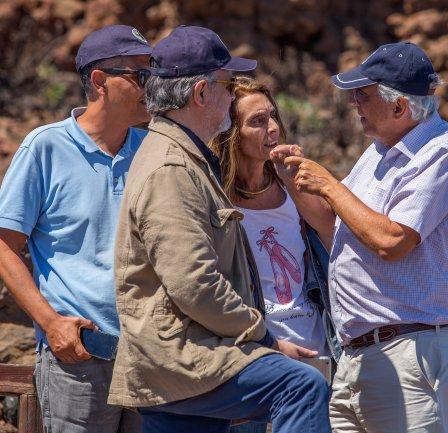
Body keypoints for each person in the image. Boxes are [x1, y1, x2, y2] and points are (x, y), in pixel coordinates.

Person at [107, 25, 331, 433]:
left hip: (178, 362)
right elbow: (195, 284)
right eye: (228, 86)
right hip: (186, 360)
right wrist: (265, 339)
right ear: (201, 93)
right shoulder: (173, 168)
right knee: (301, 386)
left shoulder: (179, 158)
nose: (232, 97)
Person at [271, 41, 448, 433]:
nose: (353, 104)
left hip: (409, 355)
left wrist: (330, 185)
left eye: (362, 96)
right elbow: (333, 229)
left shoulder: (444, 155)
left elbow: (391, 241)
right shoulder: (379, 151)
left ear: (399, 107)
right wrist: (293, 181)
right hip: (358, 358)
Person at [0, 24, 154, 433]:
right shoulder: (45, 147)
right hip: (79, 359)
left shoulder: (152, 152)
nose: (153, 87)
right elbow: (1, 248)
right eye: (141, 76)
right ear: (100, 81)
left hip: (150, 356)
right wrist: (51, 324)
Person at [209, 76, 341, 433]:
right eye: (257, 121)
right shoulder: (213, 196)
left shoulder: (290, 185)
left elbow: (333, 238)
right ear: (230, 133)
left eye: (272, 116)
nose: (273, 128)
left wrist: (294, 181)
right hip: (253, 359)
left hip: (316, 355)